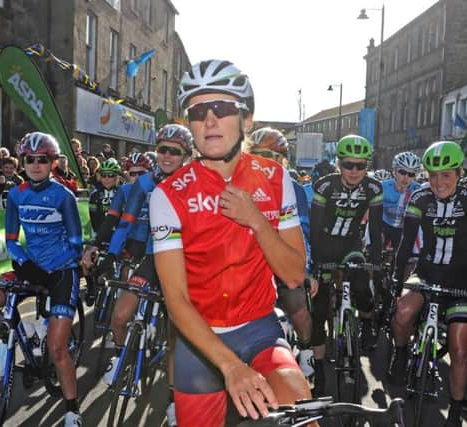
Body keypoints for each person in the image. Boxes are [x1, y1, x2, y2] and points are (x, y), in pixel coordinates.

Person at [149, 59, 311, 425]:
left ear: (246, 119)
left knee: (299, 412)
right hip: (200, 340)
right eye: (198, 111)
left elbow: (293, 275)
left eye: (221, 108)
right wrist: (231, 368)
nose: (209, 121)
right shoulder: (167, 195)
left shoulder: (274, 178)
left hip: (259, 331)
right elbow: (175, 301)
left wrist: (256, 220)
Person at [0, 132, 83, 426]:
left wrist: (55, 265)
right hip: (29, 265)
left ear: (53, 162)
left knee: (58, 347)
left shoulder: (64, 196)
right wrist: (23, 260)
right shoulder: (17, 194)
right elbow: (11, 240)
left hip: (61, 270)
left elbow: (75, 242)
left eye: (42, 159)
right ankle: (17, 334)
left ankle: (72, 409)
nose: (35, 164)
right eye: (29, 159)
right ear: (22, 162)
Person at [94, 124, 192, 427]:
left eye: (174, 151)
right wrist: (110, 254)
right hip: (152, 257)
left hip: (186, 261)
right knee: (120, 316)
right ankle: (124, 358)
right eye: (162, 148)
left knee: (178, 337)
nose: (166, 155)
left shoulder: (196, 183)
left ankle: (174, 400)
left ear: (186, 156)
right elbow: (124, 223)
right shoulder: (144, 183)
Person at [389, 141, 467, 427]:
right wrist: (398, 280)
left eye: (446, 175)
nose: (438, 182)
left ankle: (455, 411)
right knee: (403, 313)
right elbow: (406, 244)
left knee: (458, 348)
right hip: (427, 272)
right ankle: (401, 352)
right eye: (432, 175)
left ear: (459, 173)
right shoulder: (419, 197)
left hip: (461, 280)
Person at [309, 134, 383, 395]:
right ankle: (318, 367)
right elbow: (315, 229)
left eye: (360, 166)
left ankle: (365, 320)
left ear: (367, 166)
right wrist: (318, 264)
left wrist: (376, 262)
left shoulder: (374, 188)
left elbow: (375, 228)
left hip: (352, 244)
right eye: (348, 165)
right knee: (319, 310)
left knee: (362, 287)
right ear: (339, 164)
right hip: (325, 245)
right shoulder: (324, 185)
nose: (354, 171)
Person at [249, 127, 318, 378]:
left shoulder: (294, 189)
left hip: (281, 263)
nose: (263, 161)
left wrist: (305, 270)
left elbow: (303, 235)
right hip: (249, 267)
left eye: (270, 155)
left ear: (282, 160)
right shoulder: (239, 183)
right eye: (257, 154)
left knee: (299, 310)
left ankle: (307, 348)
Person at [381, 151, 422, 250]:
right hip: (384, 225)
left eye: (411, 174)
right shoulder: (383, 187)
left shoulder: (418, 190)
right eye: (402, 172)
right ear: (394, 171)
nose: (406, 177)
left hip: (403, 229)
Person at [88, 158, 122, 234]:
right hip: (101, 235)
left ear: (116, 177)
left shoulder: (123, 193)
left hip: (119, 235)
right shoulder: (94, 195)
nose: (106, 178)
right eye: (103, 175)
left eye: (110, 175)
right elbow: (93, 217)